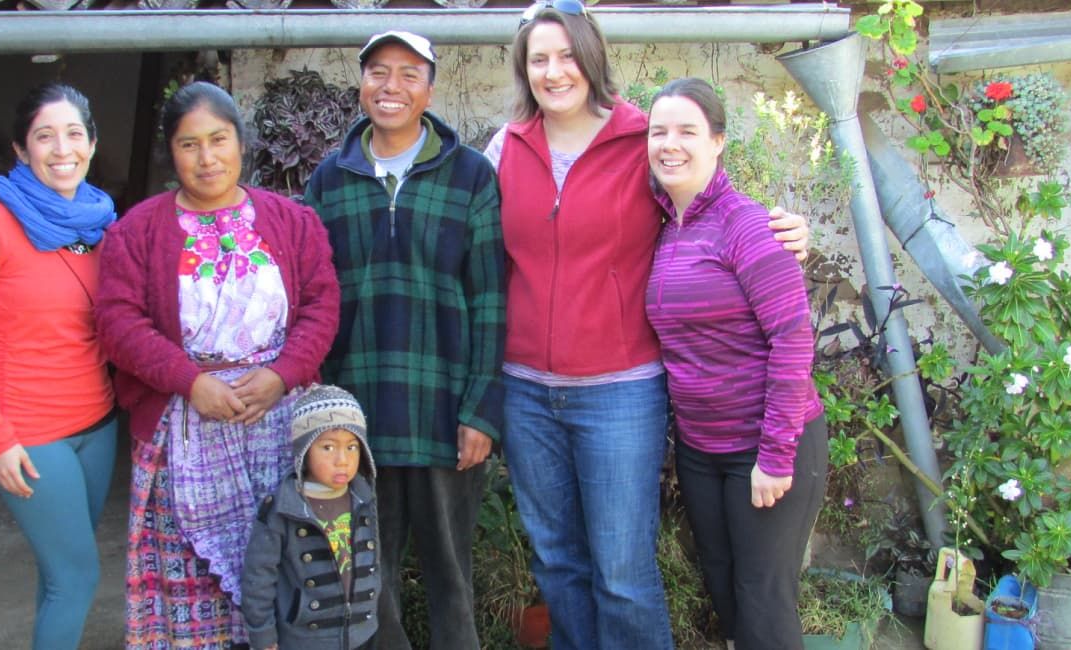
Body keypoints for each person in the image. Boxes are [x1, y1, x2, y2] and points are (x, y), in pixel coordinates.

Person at [483, 4, 811, 648]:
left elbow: (712, 206)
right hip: (525, 389)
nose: (554, 72)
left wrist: (791, 230)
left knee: (622, 570)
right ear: (524, 69)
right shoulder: (506, 147)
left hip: (619, 390)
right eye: (539, 59)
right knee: (555, 560)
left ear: (592, 56)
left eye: (567, 55)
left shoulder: (641, 139)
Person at [95, 81, 340, 648]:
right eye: (189, 145)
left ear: (241, 142)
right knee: (192, 576)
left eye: (218, 139)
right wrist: (190, 381)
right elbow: (118, 322)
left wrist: (283, 375)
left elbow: (324, 304)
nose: (207, 158)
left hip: (277, 420)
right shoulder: (138, 231)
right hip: (186, 422)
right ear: (170, 152)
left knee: (284, 559)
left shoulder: (292, 221)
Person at [301, 31, 504, 650]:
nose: (392, 87)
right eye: (379, 73)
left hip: (444, 415)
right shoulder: (328, 181)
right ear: (361, 83)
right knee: (365, 576)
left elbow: (492, 300)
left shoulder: (470, 175)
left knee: (449, 574)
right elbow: (314, 298)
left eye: (409, 74)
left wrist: (480, 411)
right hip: (356, 421)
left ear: (430, 88)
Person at [646, 77, 828, 649]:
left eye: (687, 131)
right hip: (703, 451)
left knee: (763, 603)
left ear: (719, 141)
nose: (669, 144)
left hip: (769, 443)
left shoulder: (745, 224)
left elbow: (794, 339)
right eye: (658, 131)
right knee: (724, 592)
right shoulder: (661, 225)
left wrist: (775, 455)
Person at [0, 82, 117, 650]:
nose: (61, 148)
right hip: (32, 435)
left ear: (92, 143)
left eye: (73, 133)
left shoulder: (98, 225)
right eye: (45, 136)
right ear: (21, 149)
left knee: (59, 571)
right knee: (77, 577)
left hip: (98, 426)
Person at [243, 384, 381, 650]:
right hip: (305, 639)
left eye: (352, 447)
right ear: (304, 451)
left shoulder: (365, 499)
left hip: (361, 635)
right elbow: (258, 578)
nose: (342, 460)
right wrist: (262, 634)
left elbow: (375, 561)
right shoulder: (283, 507)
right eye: (328, 448)